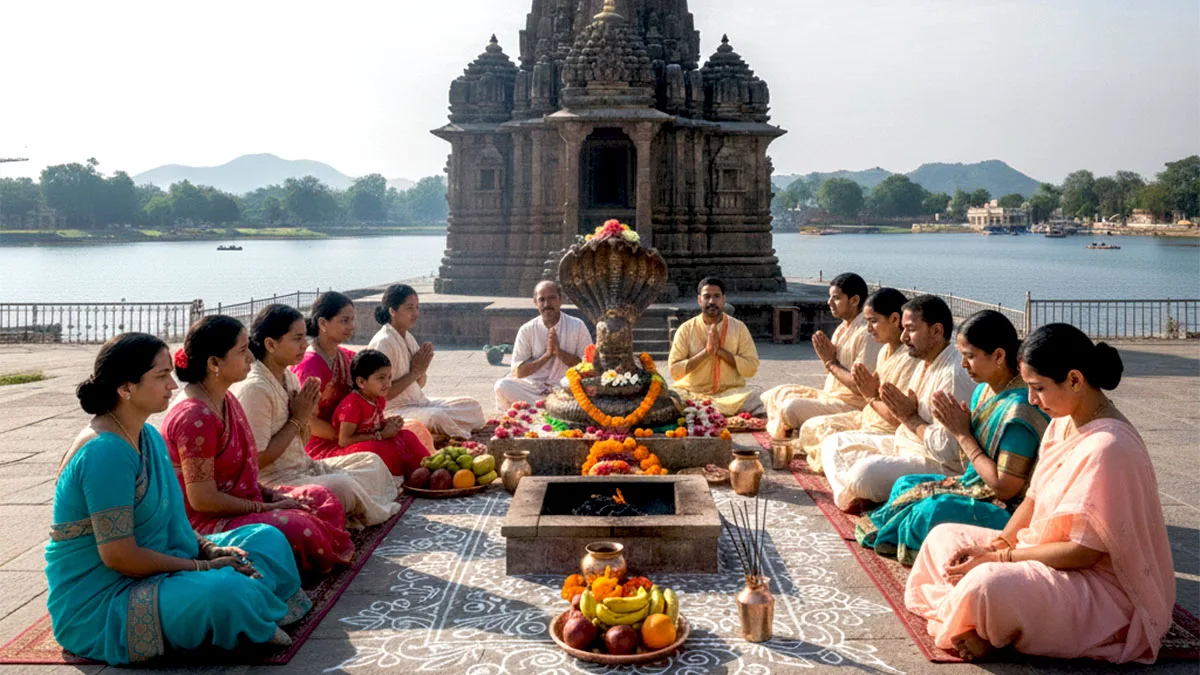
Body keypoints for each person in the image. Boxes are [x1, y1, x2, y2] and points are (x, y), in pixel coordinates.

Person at [906, 324, 1174, 664]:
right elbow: (1033, 500)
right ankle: (984, 621)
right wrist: (997, 544)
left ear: (1075, 380)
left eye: (1038, 389)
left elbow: (1082, 553)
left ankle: (990, 625)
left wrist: (997, 560)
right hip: (1040, 554)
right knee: (943, 538)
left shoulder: (1110, 446)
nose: (1031, 400)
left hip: (1098, 587)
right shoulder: (1062, 421)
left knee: (987, 585)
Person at [46, 333, 310, 666]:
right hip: (106, 598)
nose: (172, 385)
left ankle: (248, 611)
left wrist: (211, 549)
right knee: (227, 590)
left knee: (266, 539)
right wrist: (203, 566)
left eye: (170, 373)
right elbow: (119, 556)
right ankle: (244, 613)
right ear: (125, 388)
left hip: (158, 560)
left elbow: (173, 522)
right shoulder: (105, 453)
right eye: (161, 376)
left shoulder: (147, 435)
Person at [162, 316, 355, 576]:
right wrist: (267, 507)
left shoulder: (226, 399)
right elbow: (202, 500)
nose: (251, 359)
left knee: (319, 500)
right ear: (214, 363)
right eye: (242, 351)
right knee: (299, 527)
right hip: (209, 522)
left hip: (244, 501)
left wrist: (274, 497)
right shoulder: (195, 417)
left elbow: (245, 475)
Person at [855, 310, 1049, 564]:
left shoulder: (1019, 410)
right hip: (977, 485)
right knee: (907, 484)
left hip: (1009, 509)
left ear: (999, 356)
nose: (964, 364)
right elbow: (971, 466)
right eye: (961, 356)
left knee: (930, 510)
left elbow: (1005, 487)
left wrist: (962, 433)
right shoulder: (983, 391)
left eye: (970, 357)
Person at [232, 304, 402, 529]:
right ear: (271, 344)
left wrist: (302, 420)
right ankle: (344, 511)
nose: (304, 344)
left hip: (304, 466)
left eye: (305, 337)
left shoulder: (289, 378)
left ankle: (346, 511)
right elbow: (257, 459)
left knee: (372, 463)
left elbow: (300, 442)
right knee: (342, 487)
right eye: (297, 338)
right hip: (275, 480)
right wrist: (297, 419)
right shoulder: (256, 388)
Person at [820, 295, 975, 511]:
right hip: (903, 444)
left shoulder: (951, 376)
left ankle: (862, 492)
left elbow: (948, 450)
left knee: (865, 474)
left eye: (910, 329)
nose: (903, 337)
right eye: (903, 329)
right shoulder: (925, 361)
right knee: (833, 443)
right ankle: (855, 495)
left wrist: (909, 418)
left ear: (937, 331)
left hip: (938, 464)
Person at [292, 292, 433, 466]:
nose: (351, 326)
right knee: (379, 451)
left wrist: (378, 427)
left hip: (357, 432)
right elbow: (307, 421)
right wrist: (351, 435)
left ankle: (429, 474)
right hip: (326, 443)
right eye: (344, 321)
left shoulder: (348, 357)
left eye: (352, 320)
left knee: (409, 435)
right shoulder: (310, 365)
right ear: (323, 323)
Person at [795, 288, 921, 472]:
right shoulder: (885, 350)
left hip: (885, 428)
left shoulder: (909, 358)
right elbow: (871, 385)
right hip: (866, 416)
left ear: (895, 320)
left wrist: (831, 363)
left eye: (873, 322)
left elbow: (896, 417)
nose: (869, 329)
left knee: (836, 448)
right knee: (810, 428)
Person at [763, 273, 879, 438]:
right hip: (830, 397)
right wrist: (829, 361)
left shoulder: (867, 334)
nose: (829, 303)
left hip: (852, 405)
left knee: (791, 408)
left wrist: (830, 362)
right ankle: (793, 426)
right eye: (829, 297)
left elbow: (861, 387)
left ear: (854, 300)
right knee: (775, 393)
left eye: (836, 298)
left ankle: (792, 428)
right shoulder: (841, 329)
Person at [367, 284, 484, 439]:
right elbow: (382, 395)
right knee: (437, 417)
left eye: (417, 308)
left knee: (471, 405)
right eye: (410, 308)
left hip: (420, 403)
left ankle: (434, 432)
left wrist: (422, 369)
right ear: (392, 311)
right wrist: (415, 371)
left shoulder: (407, 337)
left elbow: (419, 384)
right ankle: (435, 433)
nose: (416, 314)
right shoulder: (384, 342)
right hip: (394, 411)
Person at [667, 277, 762, 416]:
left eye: (716, 296)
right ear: (699, 300)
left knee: (762, 398)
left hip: (731, 395)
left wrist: (720, 351)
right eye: (707, 297)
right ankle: (708, 412)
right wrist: (706, 352)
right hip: (692, 393)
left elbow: (751, 367)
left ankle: (703, 413)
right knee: (666, 398)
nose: (712, 301)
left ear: (723, 299)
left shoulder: (739, 328)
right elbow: (675, 370)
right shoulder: (686, 329)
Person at [331, 349, 431, 478]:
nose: (388, 384)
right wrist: (380, 435)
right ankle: (404, 476)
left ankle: (426, 470)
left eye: (389, 377)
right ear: (361, 382)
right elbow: (344, 440)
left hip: (375, 438)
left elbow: (373, 425)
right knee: (380, 450)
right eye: (381, 378)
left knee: (407, 436)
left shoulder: (377, 398)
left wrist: (388, 425)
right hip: (348, 449)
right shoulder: (353, 405)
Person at [494, 280, 593, 411]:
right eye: (542, 299)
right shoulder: (527, 330)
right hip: (534, 389)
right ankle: (557, 409)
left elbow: (589, 366)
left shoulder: (577, 326)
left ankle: (542, 408)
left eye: (552, 298)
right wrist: (546, 356)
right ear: (535, 302)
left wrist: (559, 352)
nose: (547, 304)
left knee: (585, 386)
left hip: (565, 387)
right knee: (502, 385)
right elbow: (518, 372)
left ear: (560, 300)